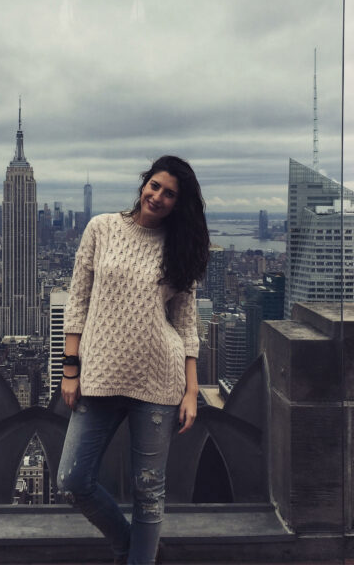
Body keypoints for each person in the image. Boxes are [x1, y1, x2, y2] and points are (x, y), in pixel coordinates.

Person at [57, 155, 210, 564]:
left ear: (180, 204)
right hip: (98, 376)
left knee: (149, 492)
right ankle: (130, 548)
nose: (157, 197)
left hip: (158, 380)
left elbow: (185, 323)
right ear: (143, 183)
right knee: (72, 480)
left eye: (170, 194)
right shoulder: (102, 228)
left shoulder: (180, 250)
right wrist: (70, 368)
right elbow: (78, 300)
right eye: (155, 186)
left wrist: (191, 390)